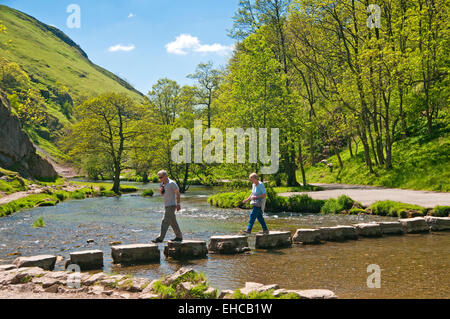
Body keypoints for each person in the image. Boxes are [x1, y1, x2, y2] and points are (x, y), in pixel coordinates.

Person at [152, 170, 183, 243]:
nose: (160, 179)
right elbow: (163, 194)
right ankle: (179, 236)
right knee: (172, 222)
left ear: (166, 176)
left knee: (165, 221)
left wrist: (178, 204)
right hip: (166, 205)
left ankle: (160, 238)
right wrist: (161, 190)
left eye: (161, 177)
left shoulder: (172, 183)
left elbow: (178, 194)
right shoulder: (162, 184)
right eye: (159, 177)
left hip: (172, 205)